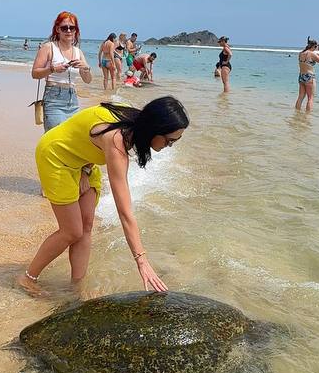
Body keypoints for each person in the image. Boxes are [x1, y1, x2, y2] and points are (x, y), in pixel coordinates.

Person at [16, 96, 189, 296]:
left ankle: (75, 287)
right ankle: (27, 278)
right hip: (56, 156)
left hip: (83, 162)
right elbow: (125, 212)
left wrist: (84, 167)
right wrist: (141, 261)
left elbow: (86, 131)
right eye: (169, 140)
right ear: (154, 128)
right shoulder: (117, 142)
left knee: (86, 226)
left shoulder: (133, 119)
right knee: (71, 231)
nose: (170, 145)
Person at [31, 12, 93, 131]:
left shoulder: (78, 52)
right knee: (56, 136)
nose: (68, 31)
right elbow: (35, 73)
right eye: (64, 28)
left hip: (73, 100)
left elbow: (88, 80)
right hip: (54, 99)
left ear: (76, 30)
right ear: (57, 29)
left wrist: (86, 68)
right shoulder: (49, 47)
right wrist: (52, 69)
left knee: (72, 137)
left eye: (72, 28)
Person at [295, 37, 319, 112]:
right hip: (309, 77)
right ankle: (308, 116)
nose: (316, 48)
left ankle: (296, 113)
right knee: (310, 98)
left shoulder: (301, 53)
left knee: (300, 97)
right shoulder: (311, 54)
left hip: (301, 76)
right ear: (314, 46)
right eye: (316, 47)